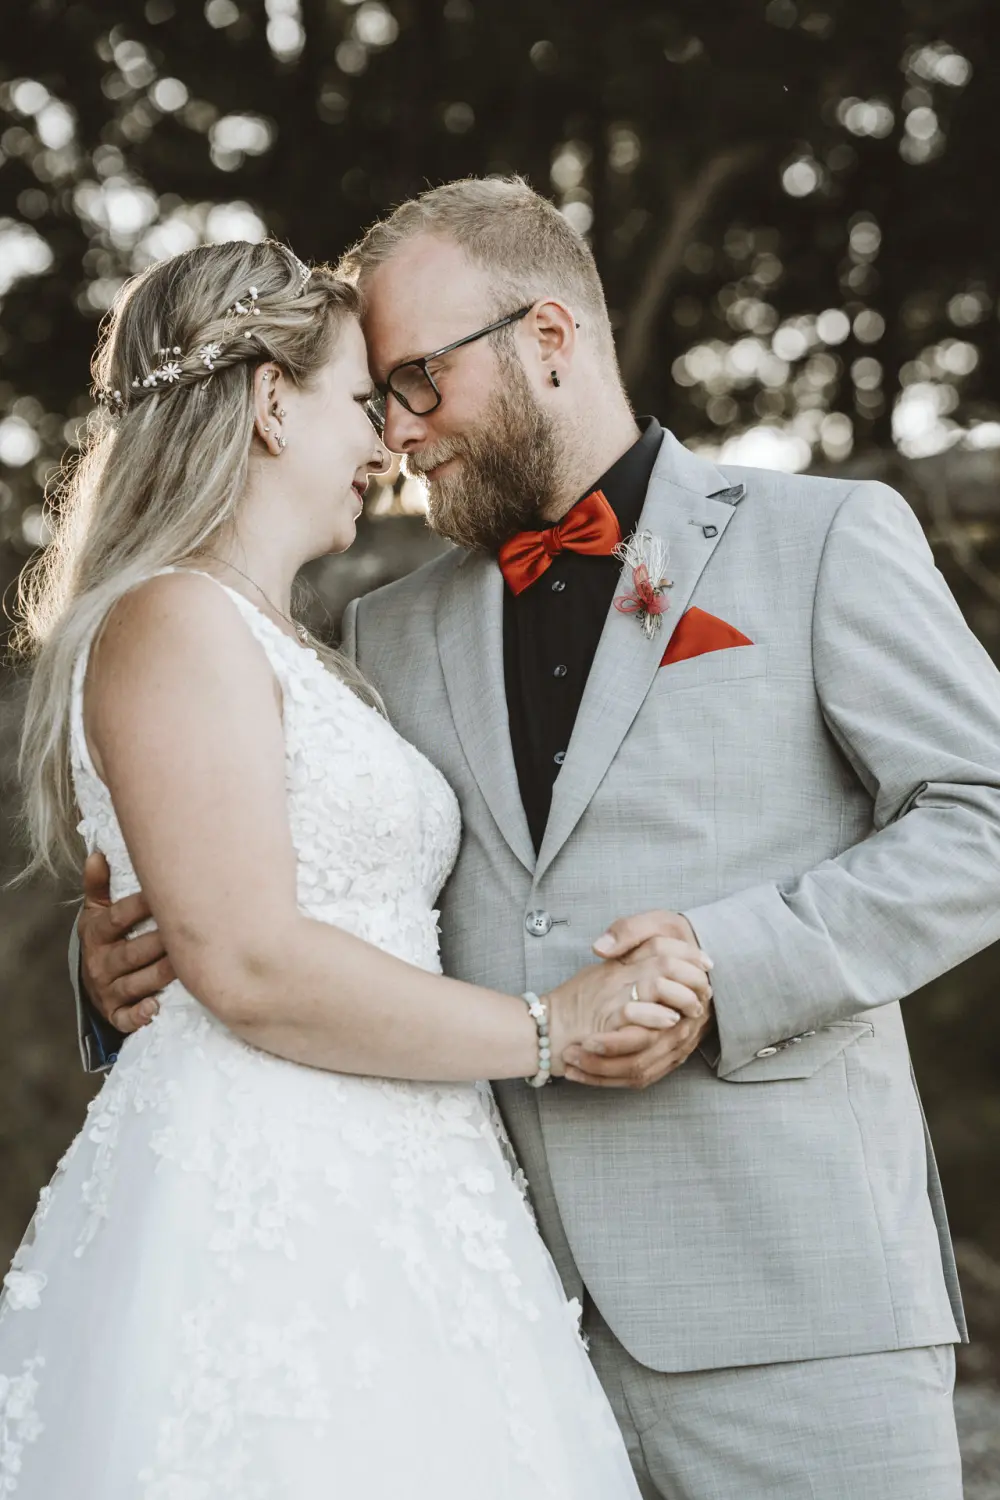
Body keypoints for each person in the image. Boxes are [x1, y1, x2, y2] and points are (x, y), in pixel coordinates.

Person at [76, 180, 1000, 1499]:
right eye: (375, 395)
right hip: (488, 1322)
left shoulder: (822, 540)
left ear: (549, 337)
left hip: (792, 1311)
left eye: (417, 382)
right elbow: (301, 892)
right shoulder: (385, 630)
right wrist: (113, 970)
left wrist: (725, 966)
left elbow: (986, 815)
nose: (397, 433)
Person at [1, 237, 717, 1498]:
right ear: (272, 404)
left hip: (412, 1181)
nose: (387, 439)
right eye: (358, 400)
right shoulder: (173, 616)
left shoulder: (301, 642)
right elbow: (253, 960)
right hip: (276, 1191)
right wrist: (552, 1028)